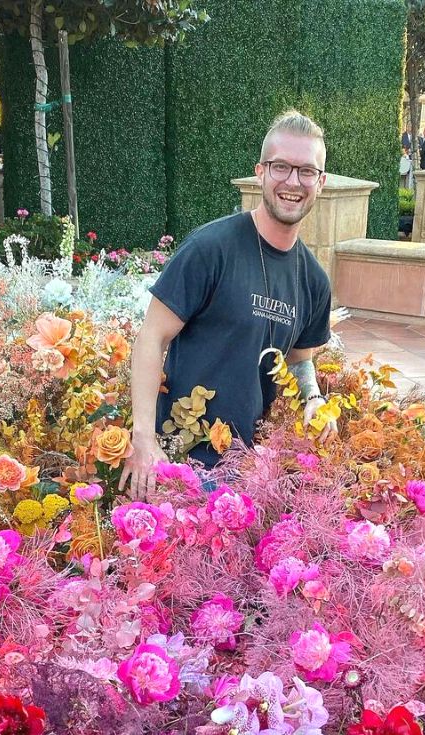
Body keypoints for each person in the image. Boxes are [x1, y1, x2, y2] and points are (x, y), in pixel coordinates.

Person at [121, 110, 333, 500]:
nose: (292, 181)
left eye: (306, 171)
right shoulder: (211, 248)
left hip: (248, 475)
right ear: (260, 172)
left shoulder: (314, 281)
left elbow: (301, 360)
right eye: (281, 167)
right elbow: (151, 337)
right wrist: (143, 440)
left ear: (320, 182)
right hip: (178, 464)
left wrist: (314, 398)